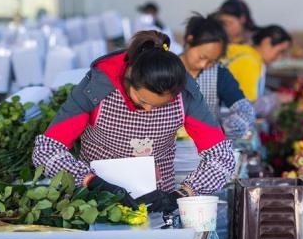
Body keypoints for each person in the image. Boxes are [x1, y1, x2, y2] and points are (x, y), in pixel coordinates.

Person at [32, 31, 235, 212]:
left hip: (156, 206)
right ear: (129, 79)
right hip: (93, 204)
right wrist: (89, 181)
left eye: (159, 106)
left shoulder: (186, 95)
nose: (148, 110)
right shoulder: (97, 88)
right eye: (142, 101)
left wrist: (182, 194)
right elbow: (47, 149)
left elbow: (221, 156)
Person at [179, 13, 254, 139]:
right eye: (202, 57)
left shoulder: (219, 73)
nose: (204, 64)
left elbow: (245, 111)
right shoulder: (166, 68)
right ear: (190, 40)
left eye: (211, 61)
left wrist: (219, 130)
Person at [223, 25, 292, 113]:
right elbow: (248, 107)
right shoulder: (249, 63)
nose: (279, 58)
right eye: (280, 51)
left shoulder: (243, 54)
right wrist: (276, 99)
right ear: (266, 42)